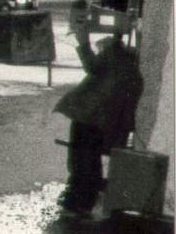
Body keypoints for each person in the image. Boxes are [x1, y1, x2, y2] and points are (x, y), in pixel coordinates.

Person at [53, 14, 144, 220]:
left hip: (92, 115)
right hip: (101, 117)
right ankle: (80, 198)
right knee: (86, 159)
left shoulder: (115, 56)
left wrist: (83, 41)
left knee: (82, 159)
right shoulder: (128, 60)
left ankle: (79, 201)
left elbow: (91, 66)